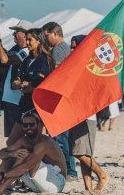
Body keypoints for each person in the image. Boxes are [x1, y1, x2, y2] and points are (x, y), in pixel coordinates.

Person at [0, 110, 66, 194]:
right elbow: (0, 154)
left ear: (38, 125)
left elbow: (27, 166)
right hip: (36, 184)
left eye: (32, 124)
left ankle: (1, 188)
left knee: (24, 156)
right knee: (13, 156)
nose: (28, 127)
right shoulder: (24, 140)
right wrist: (12, 154)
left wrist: (1, 176)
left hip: (56, 183)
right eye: (25, 125)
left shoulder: (44, 142)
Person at [68, 34, 109, 194]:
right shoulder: (81, 65)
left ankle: (102, 175)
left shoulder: (87, 66)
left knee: (78, 152)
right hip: (77, 114)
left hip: (85, 116)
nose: (71, 49)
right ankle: (88, 188)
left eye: (73, 46)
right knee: (84, 153)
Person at [42, 22, 78, 181]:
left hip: (60, 98)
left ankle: (69, 171)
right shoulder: (63, 48)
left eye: (47, 35)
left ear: (55, 33)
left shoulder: (58, 50)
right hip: (65, 98)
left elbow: (57, 75)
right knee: (63, 137)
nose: (45, 38)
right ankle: (69, 170)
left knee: (61, 137)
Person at [7, 28, 54, 146]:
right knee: (11, 142)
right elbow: (14, 83)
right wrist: (25, 84)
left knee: (38, 143)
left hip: (37, 108)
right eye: (26, 39)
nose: (27, 42)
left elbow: (38, 84)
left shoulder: (44, 59)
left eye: (30, 40)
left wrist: (25, 84)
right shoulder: (26, 60)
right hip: (24, 105)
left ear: (39, 41)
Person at [0, 20, 33, 138]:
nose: (13, 34)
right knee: (11, 138)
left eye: (16, 32)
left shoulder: (27, 51)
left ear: (25, 34)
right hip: (9, 100)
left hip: (18, 101)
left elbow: (5, 60)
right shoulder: (16, 49)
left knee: (19, 138)